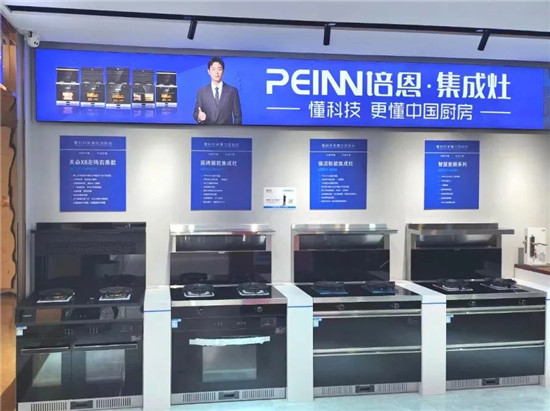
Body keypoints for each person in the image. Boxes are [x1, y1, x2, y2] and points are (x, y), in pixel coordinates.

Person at [193, 56, 242, 125]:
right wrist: (199, 116)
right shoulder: (201, 92)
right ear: (208, 72)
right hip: (207, 130)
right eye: (213, 69)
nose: (216, 72)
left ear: (223, 71)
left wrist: (234, 131)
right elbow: (196, 112)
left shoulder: (232, 91)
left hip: (226, 131)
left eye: (219, 69)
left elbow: (238, 117)